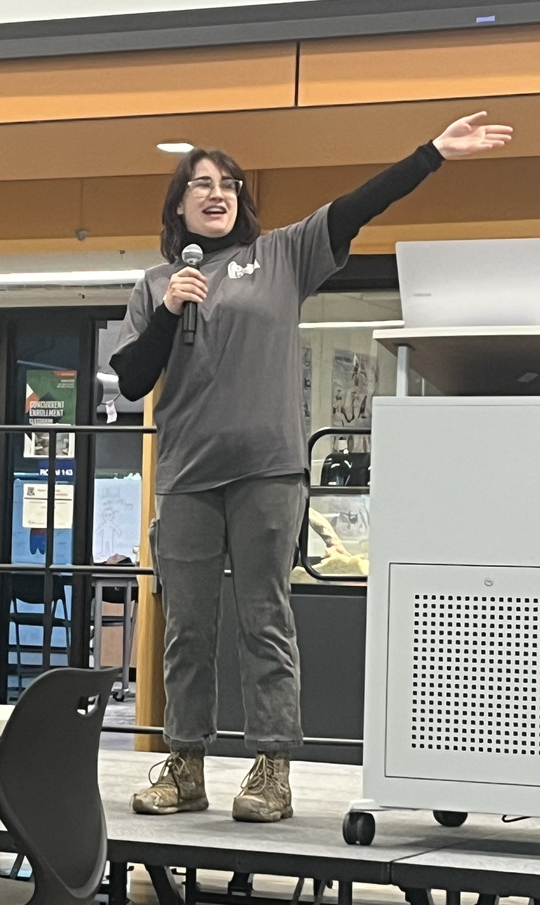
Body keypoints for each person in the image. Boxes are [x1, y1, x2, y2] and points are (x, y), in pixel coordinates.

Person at [111, 111, 513, 823]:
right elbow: (136, 378)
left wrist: (433, 154)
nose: (216, 193)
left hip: (268, 471)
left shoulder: (283, 255)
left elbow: (361, 204)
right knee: (188, 628)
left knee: (265, 618)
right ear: (178, 205)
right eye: (200, 184)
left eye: (228, 183)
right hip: (186, 476)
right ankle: (186, 764)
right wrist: (170, 309)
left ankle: (271, 769)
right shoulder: (157, 284)